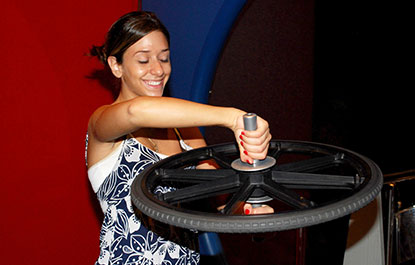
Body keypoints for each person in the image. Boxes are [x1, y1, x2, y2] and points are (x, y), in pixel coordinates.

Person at [86, 11, 272, 265]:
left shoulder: (185, 133)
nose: (158, 70)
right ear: (115, 66)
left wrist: (247, 211)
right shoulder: (102, 122)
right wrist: (233, 118)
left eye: (164, 58)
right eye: (143, 60)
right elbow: (136, 112)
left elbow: (216, 203)